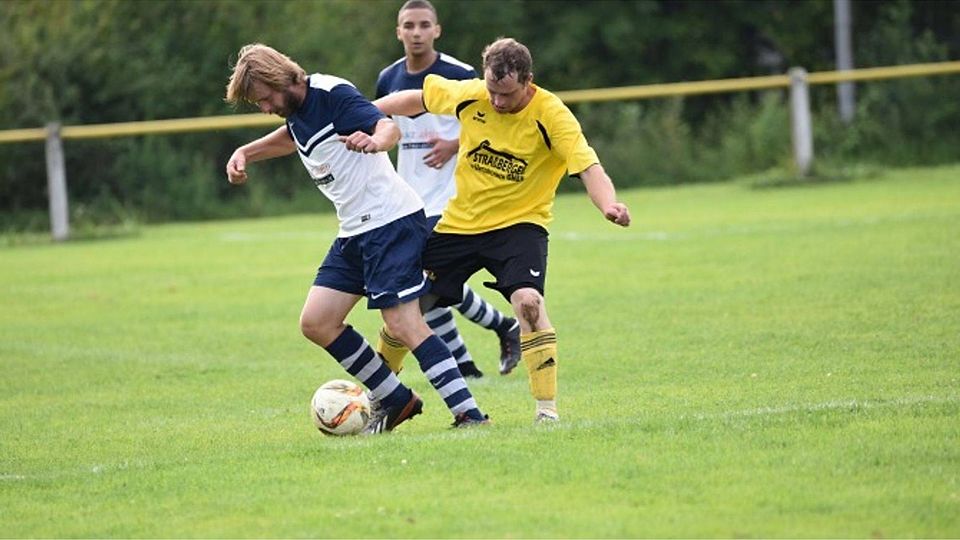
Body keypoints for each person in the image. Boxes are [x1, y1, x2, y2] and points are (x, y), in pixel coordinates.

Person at [223, 43, 489, 432]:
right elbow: (292, 137)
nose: (264, 108)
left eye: (264, 99)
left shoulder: (332, 93)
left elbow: (387, 125)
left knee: (403, 323)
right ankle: (398, 400)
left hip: (390, 222)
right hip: (355, 229)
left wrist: (376, 141)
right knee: (317, 321)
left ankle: (469, 414)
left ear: (282, 79)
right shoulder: (297, 111)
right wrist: (245, 151)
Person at [374, 37, 631, 423]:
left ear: (528, 80)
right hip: (460, 223)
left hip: (520, 226)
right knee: (405, 307)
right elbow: (415, 100)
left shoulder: (552, 115)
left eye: (506, 94)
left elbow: (588, 167)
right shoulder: (473, 94)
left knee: (528, 302)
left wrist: (608, 204)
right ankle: (380, 398)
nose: (496, 101)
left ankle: (547, 411)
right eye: (492, 91)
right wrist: (364, 113)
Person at [374, 0, 521, 379]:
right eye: (409, 25)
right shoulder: (388, 78)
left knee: (425, 280)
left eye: (425, 25)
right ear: (398, 32)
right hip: (409, 197)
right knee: (427, 284)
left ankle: (490, 338)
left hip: (453, 195)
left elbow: (490, 124)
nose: (417, 32)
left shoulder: (459, 73)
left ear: (437, 30)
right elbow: (381, 128)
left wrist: (454, 145)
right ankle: (489, 340)